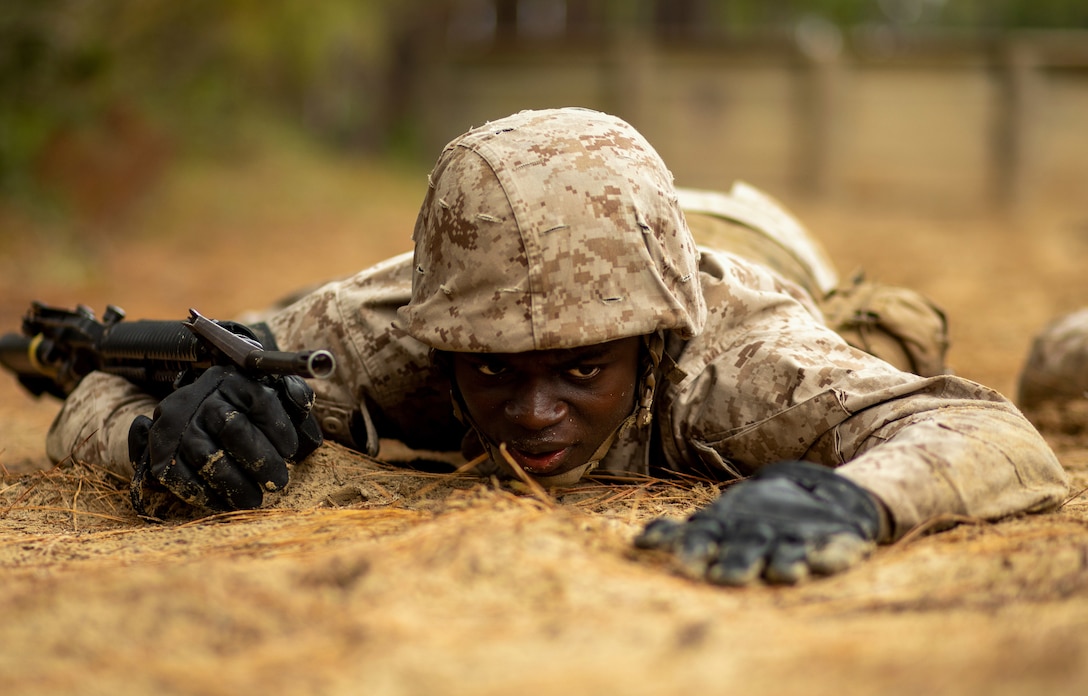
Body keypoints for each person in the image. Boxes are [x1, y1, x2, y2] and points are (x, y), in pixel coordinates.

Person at [45, 107, 1068, 586]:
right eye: (494, 367)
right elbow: (93, 392)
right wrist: (154, 439)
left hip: (751, 238)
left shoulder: (737, 362)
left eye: (581, 368)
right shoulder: (374, 330)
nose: (533, 415)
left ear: (650, 346)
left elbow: (983, 428)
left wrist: (850, 494)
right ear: (444, 338)